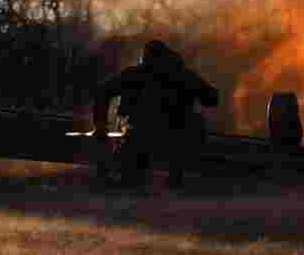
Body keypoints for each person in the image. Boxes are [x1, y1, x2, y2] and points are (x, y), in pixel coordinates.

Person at [93, 40, 220, 189]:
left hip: (145, 136)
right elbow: (211, 98)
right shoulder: (183, 76)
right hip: (173, 138)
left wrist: (101, 126)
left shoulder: (135, 75)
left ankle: (144, 172)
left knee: (137, 151)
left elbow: (103, 93)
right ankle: (173, 174)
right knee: (188, 126)